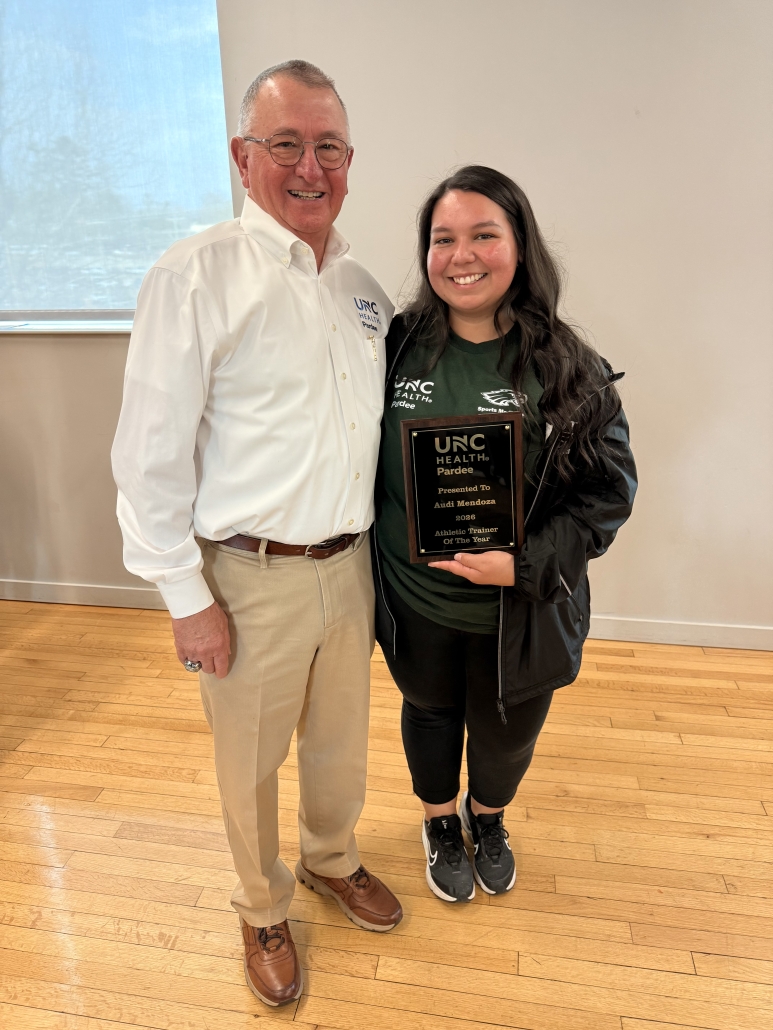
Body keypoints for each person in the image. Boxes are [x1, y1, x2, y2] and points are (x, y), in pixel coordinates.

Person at [111, 59, 402, 1009]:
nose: (308, 166)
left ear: (350, 162)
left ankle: (330, 858)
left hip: (349, 566)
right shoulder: (193, 276)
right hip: (249, 576)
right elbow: (148, 458)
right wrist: (185, 600)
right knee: (250, 761)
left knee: (339, 746)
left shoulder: (363, 290)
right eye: (286, 144)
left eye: (328, 146)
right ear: (245, 157)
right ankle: (261, 903)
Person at [374, 165, 637, 903]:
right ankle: (436, 822)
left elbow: (604, 497)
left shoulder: (567, 368)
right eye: (443, 238)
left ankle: (485, 819)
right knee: (427, 713)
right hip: (412, 599)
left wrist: (519, 566)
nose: (461, 255)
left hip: (518, 613)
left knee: (505, 737)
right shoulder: (394, 347)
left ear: (518, 246)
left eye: (483, 235)